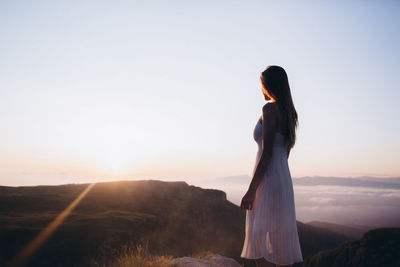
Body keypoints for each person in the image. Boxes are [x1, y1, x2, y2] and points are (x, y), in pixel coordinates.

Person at [240, 66, 303, 267]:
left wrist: (251, 190)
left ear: (267, 84)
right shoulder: (290, 113)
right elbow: (284, 152)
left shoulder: (269, 109)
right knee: (278, 237)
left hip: (267, 177)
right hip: (282, 177)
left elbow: (266, 153)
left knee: (258, 234)